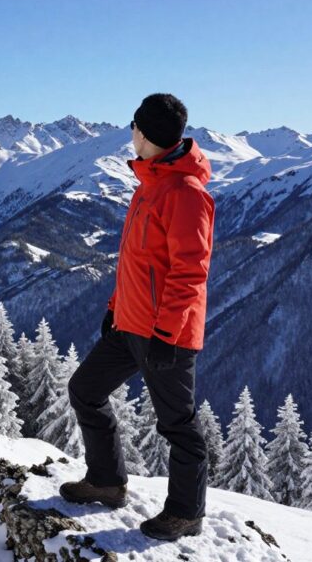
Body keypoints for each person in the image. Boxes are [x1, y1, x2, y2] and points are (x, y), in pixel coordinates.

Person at [58, 93, 215, 542]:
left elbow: (190, 273)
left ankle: (187, 513)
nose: (130, 133)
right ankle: (107, 483)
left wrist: (167, 332)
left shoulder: (185, 193)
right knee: (85, 390)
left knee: (177, 425)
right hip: (130, 323)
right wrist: (114, 308)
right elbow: (136, 260)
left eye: (133, 126)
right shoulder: (151, 182)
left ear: (144, 134)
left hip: (167, 333)